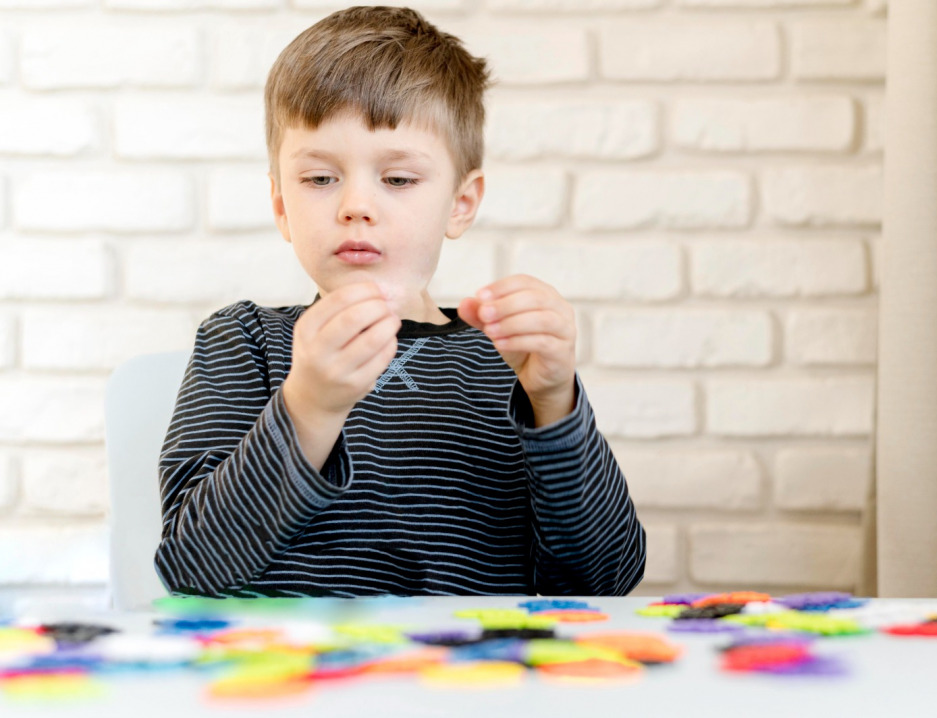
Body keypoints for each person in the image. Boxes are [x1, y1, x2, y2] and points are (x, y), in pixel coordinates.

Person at [153, 5, 645, 598]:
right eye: (320, 179)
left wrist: (554, 401)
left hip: (474, 656)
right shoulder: (244, 341)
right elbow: (191, 567)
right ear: (282, 206)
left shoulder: (507, 359)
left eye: (398, 179)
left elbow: (604, 580)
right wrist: (309, 406)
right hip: (294, 658)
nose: (356, 206)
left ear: (460, 204)